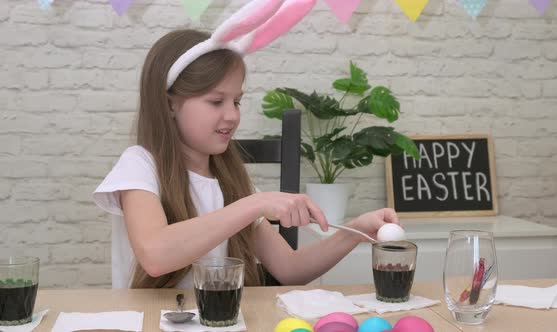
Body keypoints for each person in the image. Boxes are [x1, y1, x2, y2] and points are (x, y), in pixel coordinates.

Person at [93, 8, 399, 290]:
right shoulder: (140, 165)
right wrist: (254, 204)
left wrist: (355, 230)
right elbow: (155, 255)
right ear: (169, 103)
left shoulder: (230, 179)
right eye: (216, 101)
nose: (232, 115)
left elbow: (290, 268)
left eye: (236, 101)